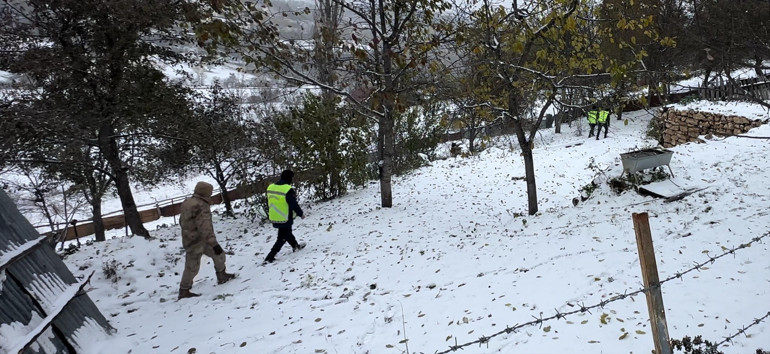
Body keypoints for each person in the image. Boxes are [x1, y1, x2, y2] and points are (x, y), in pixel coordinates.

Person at [178, 181, 235, 300]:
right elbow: (205, 226)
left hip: (192, 238)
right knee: (192, 266)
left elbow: (181, 221)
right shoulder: (200, 205)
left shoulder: (187, 202)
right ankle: (184, 290)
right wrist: (213, 243)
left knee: (218, 255)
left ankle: (222, 275)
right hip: (197, 241)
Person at [264, 169, 306, 264]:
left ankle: (295, 246)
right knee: (282, 237)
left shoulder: (271, 187)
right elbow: (293, 204)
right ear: (290, 178)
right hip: (285, 216)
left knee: (286, 233)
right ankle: (270, 256)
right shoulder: (287, 189)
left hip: (274, 216)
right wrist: (300, 214)